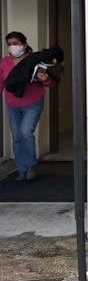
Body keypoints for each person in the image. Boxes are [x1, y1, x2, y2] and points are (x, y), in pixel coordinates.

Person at [0, 32, 55, 181]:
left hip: (33, 103)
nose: (13, 46)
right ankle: (21, 168)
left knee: (25, 132)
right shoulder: (4, 62)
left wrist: (45, 79)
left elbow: (50, 83)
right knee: (17, 137)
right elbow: (1, 83)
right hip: (12, 105)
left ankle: (31, 166)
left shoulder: (35, 60)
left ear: (24, 44)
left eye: (16, 43)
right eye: (10, 44)